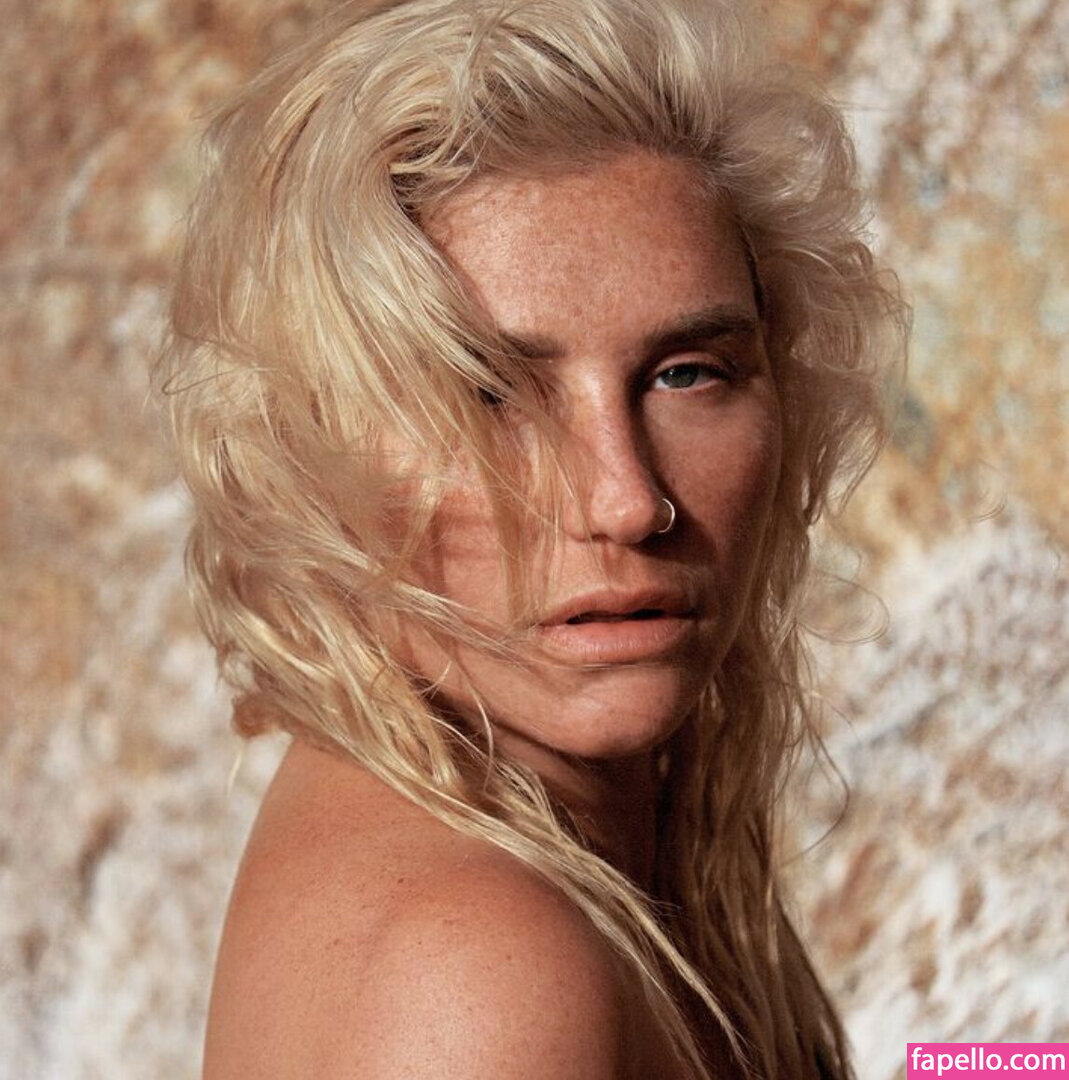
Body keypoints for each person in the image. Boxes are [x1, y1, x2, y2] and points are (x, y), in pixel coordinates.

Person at [160, 0, 907, 1076]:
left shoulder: (544, 851)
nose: (627, 502)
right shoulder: (481, 972)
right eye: (487, 395)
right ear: (305, 448)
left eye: (685, 374)